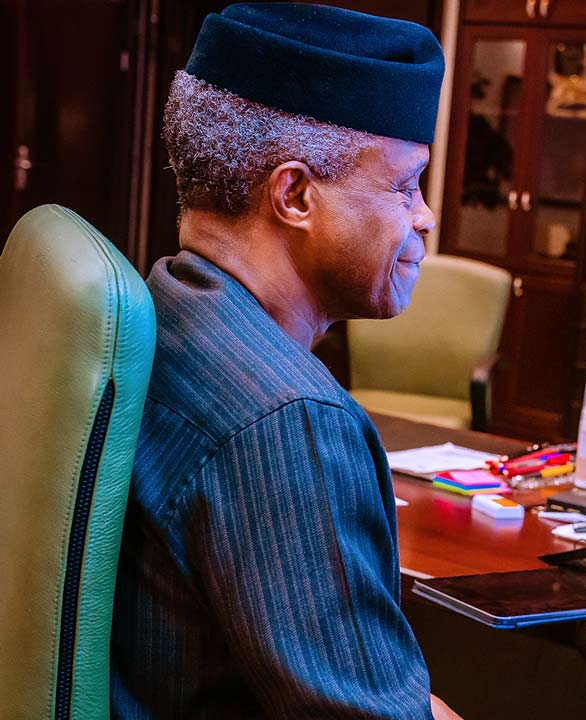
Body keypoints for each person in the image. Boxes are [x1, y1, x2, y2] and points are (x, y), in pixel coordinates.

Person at [111, 5, 463, 718]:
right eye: (404, 186)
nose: (424, 216)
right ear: (295, 194)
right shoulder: (288, 421)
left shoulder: (164, 309)